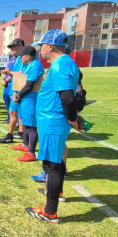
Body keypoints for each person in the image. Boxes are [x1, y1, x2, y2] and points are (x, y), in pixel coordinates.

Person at [25, 29, 80, 224]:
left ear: (50, 46)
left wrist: (73, 118)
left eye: (41, 46)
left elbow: (67, 96)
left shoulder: (59, 66)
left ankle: (49, 211)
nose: (40, 51)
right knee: (55, 162)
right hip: (53, 119)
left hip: (53, 120)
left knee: (51, 166)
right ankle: (56, 192)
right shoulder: (65, 63)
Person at [10, 46, 44, 162]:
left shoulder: (35, 66)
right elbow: (20, 80)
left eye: (21, 56)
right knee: (25, 123)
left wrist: (19, 96)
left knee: (31, 127)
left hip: (30, 100)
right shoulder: (27, 66)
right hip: (23, 99)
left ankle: (31, 152)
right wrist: (15, 92)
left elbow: (29, 85)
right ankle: (25, 145)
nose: (20, 58)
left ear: (28, 56)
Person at [0, 39, 25, 143]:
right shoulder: (15, 59)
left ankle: (21, 133)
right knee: (12, 111)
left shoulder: (23, 59)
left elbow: (21, 73)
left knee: (20, 112)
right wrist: (5, 76)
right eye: (11, 47)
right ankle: (11, 134)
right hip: (14, 88)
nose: (12, 49)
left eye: (15, 46)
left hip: (20, 89)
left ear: (21, 46)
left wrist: (9, 74)